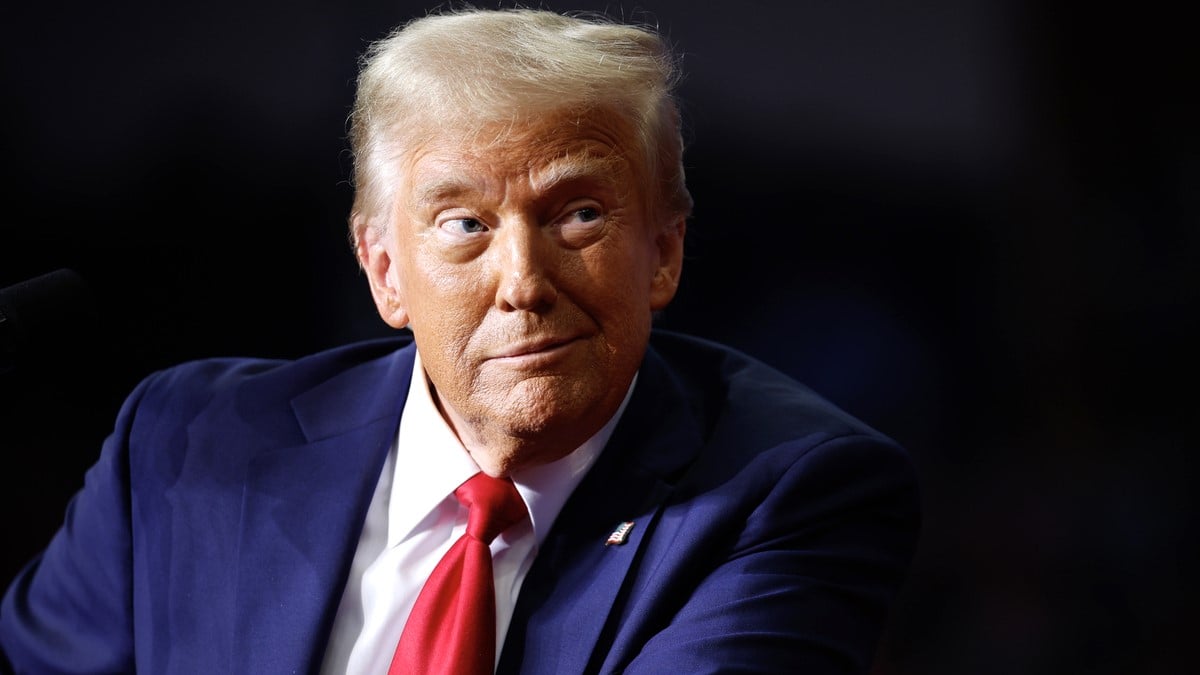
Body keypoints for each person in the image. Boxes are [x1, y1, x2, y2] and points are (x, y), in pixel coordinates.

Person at [0, 8, 919, 674]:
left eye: (580, 214)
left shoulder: (795, 491)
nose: (522, 281)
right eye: (464, 223)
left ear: (665, 252)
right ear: (385, 270)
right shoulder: (182, 444)